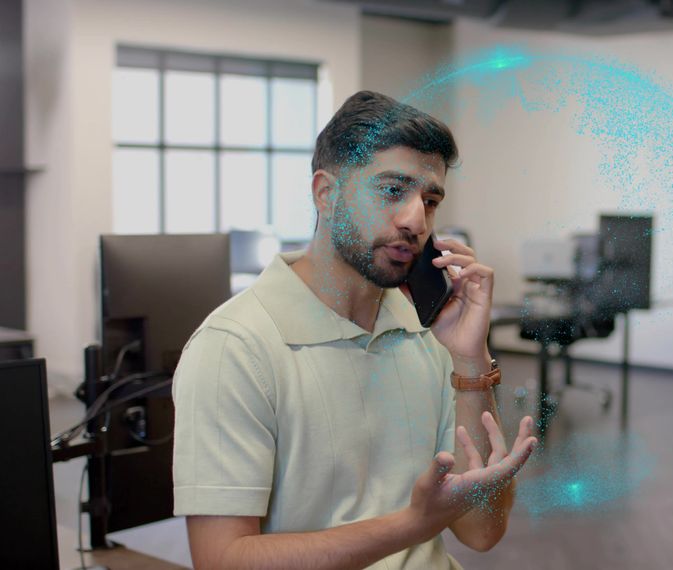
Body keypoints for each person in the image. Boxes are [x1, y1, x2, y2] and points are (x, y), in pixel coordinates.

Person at [171, 91, 538, 569]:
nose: (415, 221)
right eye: (391, 191)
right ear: (326, 192)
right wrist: (413, 524)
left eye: (429, 200)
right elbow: (222, 560)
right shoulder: (235, 348)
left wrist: (469, 358)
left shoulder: (427, 337)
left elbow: (482, 532)